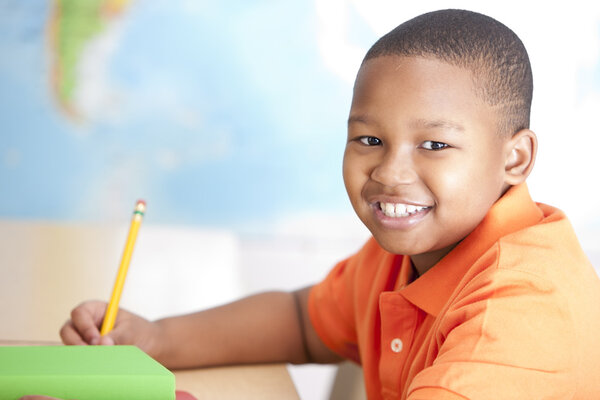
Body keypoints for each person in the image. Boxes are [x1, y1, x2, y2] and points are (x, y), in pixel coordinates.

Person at [22, 9, 600, 400]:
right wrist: (157, 340)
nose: (390, 173)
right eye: (369, 140)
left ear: (516, 159)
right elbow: (303, 321)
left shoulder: (518, 318)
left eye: (435, 144)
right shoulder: (412, 251)